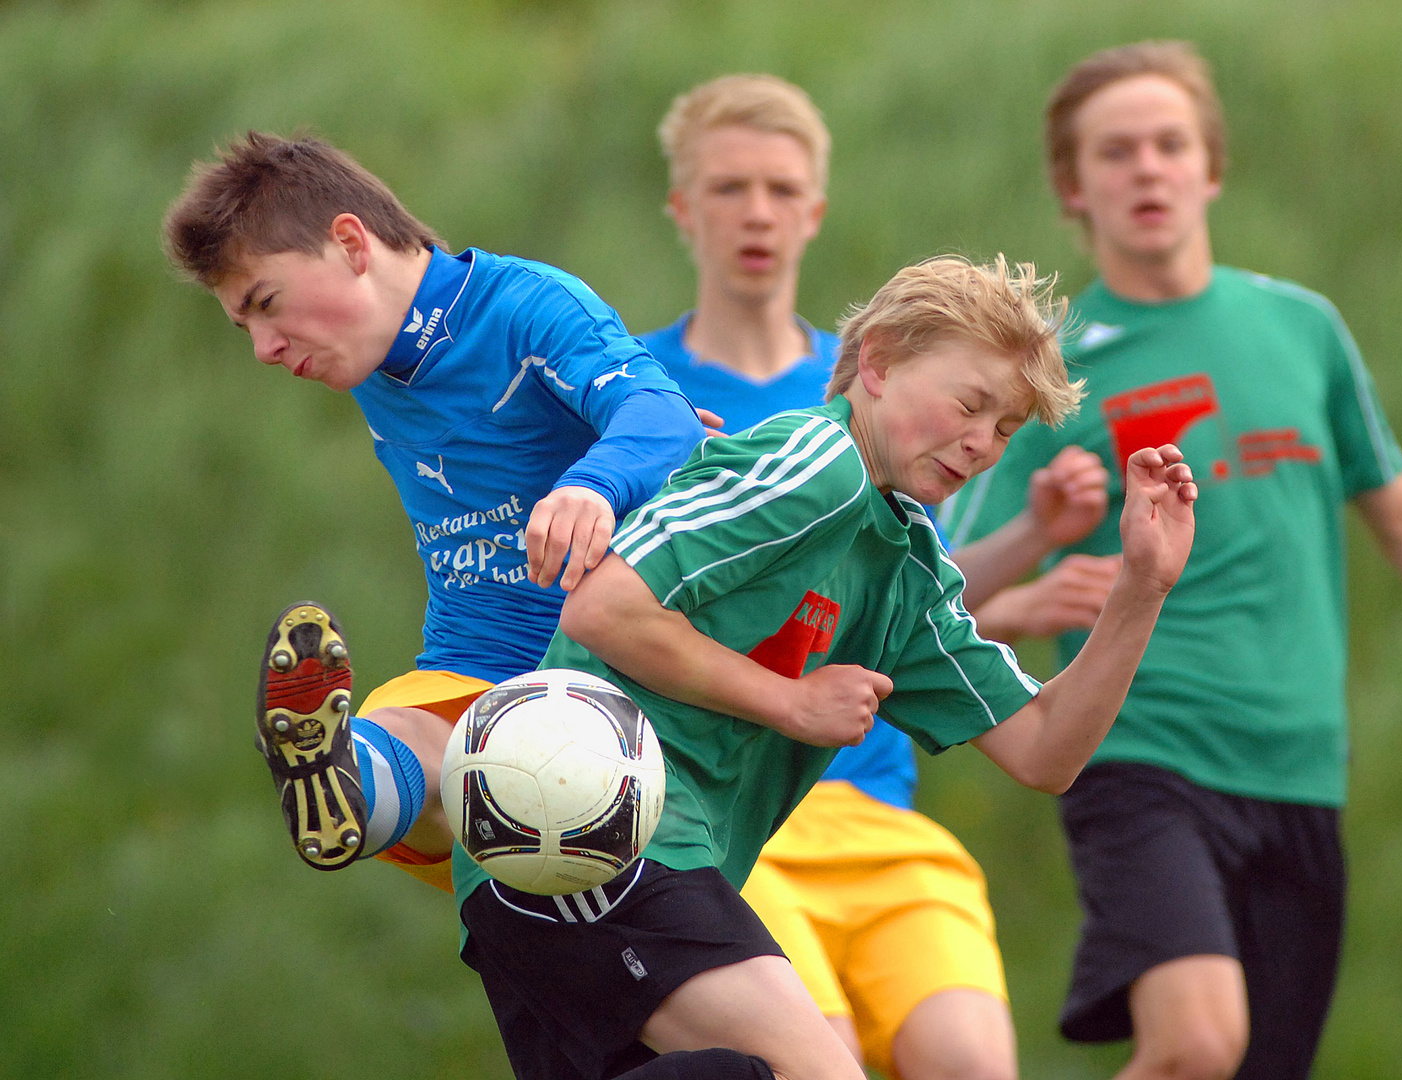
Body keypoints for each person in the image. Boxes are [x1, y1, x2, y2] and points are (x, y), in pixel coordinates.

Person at [939, 41, 1402, 1080]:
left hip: (1298, 768)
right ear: (1073, 187)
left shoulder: (1302, 329)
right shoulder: (1048, 374)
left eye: (1169, 145)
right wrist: (1032, 592)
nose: (1146, 169)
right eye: (1115, 152)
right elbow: (922, 592)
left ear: (1210, 167)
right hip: (1141, 757)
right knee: (1194, 1046)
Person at [452, 254, 1198, 1080]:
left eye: (1006, 428)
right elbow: (604, 610)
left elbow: (1047, 749)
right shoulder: (819, 461)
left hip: (586, 870)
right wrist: (791, 703)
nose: (982, 442)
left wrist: (1142, 586)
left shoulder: (908, 568)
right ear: (874, 361)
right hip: (592, 833)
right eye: (970, 403)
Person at [640, 74, 1110, 1080]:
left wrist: (1031, 551)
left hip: (869, 789)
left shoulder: (921, 398)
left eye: (781, 189)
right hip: (722, 807)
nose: (756, 212)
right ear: (682, 208)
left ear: (815, 209)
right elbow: (616, 600)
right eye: (729, 188)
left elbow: (904, 600)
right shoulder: (648, 394)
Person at [162, 131, 705, 890]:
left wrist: (596, 483)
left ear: (350, 242)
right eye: (243, 325)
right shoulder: (367, 357)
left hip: (611, 685)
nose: (262, 349)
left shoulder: (523, 305)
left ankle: (371, 777)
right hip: (474, 668)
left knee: (474, 761)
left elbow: (663, 417)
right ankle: (338, 778)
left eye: (266, 304)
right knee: (418, 735)